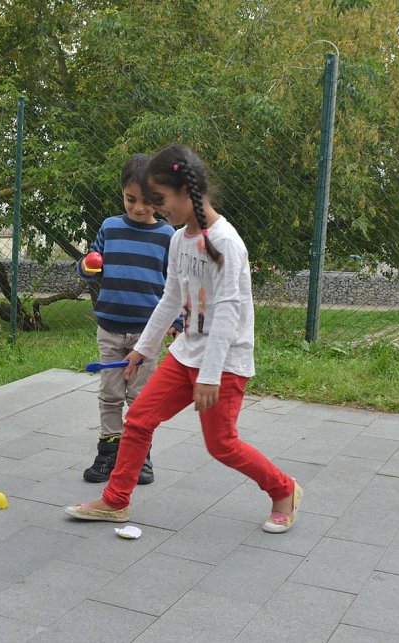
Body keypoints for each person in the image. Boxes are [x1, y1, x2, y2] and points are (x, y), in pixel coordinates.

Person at [65, 144, 303, 533]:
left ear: (186, 190)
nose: (157, 209)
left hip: (223, 363)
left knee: (221, 444)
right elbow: (170, 299)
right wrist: (142, 350)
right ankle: (115, 500)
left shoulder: (226, 243)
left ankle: (284, 489)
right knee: (139, 419)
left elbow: (228, 313)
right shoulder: (178, 240)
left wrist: (209, 375)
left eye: (160, 199)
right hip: (187, 352)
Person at [77, 154, 183, 485]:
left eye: (147, 200)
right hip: (109, 328)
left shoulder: (168, 236)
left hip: (146, 334)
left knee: (141, 398)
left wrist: (178, 323)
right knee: (109, 394)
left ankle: (141, 455)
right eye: (130, 199)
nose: (138, 208)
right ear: (122, 193)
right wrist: (87, 266)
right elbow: (90, 266)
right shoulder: (110, 228)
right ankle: (108, 451)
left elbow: (175, 285)